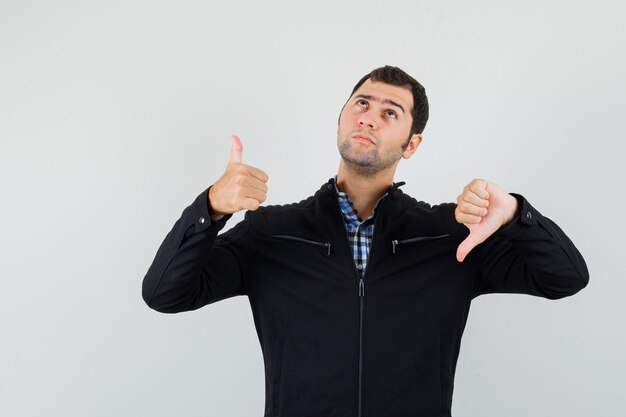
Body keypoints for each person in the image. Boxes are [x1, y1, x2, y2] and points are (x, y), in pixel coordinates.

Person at [142, 66, 589, 417]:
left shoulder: (449, 237)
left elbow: (565, 278)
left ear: (411, 144)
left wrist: (514, 216)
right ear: (340, 119)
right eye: (362, 103)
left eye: (390, 112)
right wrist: (211, 209)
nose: (369, 117)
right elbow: (165, 293)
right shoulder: (271, 232)